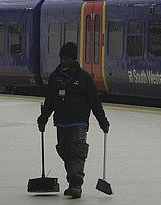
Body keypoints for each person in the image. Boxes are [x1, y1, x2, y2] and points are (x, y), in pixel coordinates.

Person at [37, 42, 110, 199]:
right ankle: (73, 179)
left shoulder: (84, 78)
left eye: (66, 59)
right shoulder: (55, 78)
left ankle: (75, 184)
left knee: (77, 151)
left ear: (73, 59)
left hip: (79, 121)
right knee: (64, 151)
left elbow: (94, 101)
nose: (63, 61)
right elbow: (49, 101)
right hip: (61, 122)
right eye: (61, 58)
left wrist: (102, 121)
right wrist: (43, 119)